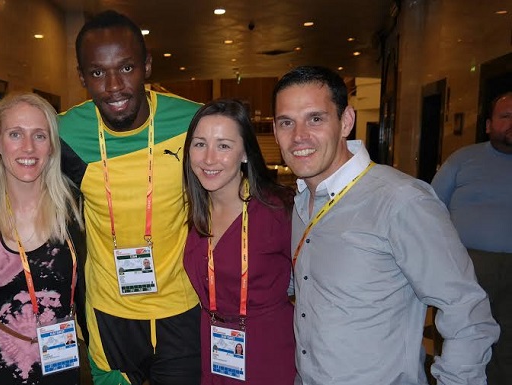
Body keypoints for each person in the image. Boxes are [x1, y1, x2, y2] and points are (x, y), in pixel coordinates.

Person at [272, 65, 499, 385]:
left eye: (316, 118)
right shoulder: (299, 204)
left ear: (345, 122)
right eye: (286, 122)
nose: (299, 136)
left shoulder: (401, 200)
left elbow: (468, 314)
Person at [58, 9, 202, 385]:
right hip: (109, 313)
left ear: (147, 66)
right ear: (82, 78)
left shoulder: (194, 122)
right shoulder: (64, 132)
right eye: (97, 73)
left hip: (183, 311)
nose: (113, 86)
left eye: (126, 68)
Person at [0, 93, 85, 385]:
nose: (28, 147)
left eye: (39, 136)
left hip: (59, 366)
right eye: (15, 134)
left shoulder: (75, 208)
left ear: (52, 146)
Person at [182, 99, 295, 384]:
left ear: (245, 152)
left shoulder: (279, 211)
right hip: (215, 346)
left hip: (266, 348)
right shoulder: (194, 210)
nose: (208, 158)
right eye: (199, 144)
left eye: (223, 146)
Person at [431, 91, 512, 384]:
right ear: (489, 125)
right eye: (506, 116)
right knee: (460, 337)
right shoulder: (464, 159)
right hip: (467, 266)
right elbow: (430, 207)